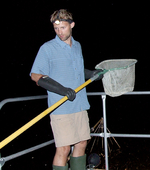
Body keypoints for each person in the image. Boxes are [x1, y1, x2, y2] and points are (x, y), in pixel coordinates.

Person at [30, 9, 102, 170]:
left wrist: (91, 74)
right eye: (56, 28)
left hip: (80, 105)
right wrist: (61, 89)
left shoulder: (77, 46)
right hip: (60, 107)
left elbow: (76, 70)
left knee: (82, 143)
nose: (59, 32)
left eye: (62, 27)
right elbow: (35, 75)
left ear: (72, 25)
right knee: (63, 148)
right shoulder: (47, 48)